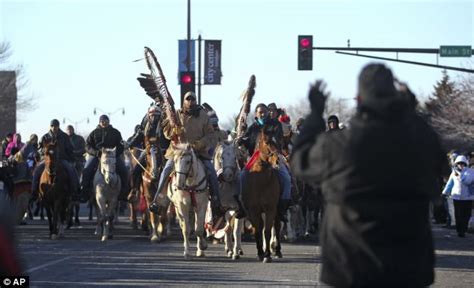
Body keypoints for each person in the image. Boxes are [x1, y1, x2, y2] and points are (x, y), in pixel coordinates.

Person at [291, 63, 449, 287]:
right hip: (408, 269)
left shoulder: (338, 145)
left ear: (358, 99)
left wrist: (315, 115)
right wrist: (411, 112)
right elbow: (441, 166)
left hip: (349, 268)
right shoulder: (419, 141)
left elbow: (300, 161)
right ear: (394, 96)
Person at [148, 92, 223, 220]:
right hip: (178, 151)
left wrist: (200, 144)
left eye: (192, 99)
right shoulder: (176, 114)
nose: (190, 102)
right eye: (188, 99)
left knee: (210, 171)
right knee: (166, 170)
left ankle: (216, 201)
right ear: (184, 101)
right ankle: (157, 199)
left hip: (198, 151)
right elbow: (165, 131)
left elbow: (211, 134)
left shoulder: (203, 115)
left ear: (196, 100)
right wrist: (173, 131)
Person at [237, 103, 291, 221]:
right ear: (256, 114)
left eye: (264, 112)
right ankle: (242, 206)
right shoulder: (253, 127)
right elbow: (246, 141)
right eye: (260, 112)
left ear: (268, 113)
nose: (262, 114)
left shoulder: (275, 125)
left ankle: (282, 208)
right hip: (255, 158)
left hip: (273, 156)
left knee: (287, 178)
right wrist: (241, 140)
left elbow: (279, 139)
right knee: (242, 176)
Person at [80, 115, 129, 202]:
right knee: (87, 170)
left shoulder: (116, 132)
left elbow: (121, 145)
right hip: (97, 155)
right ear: (99, 122)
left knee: (124, 170)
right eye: (102, 121)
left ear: (108, 121)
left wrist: (115, 154)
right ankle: (84, 192)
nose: (104, 122)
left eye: (105, 121)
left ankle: (125, 192)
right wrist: (96, 153)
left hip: (112, 156)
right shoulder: (94, 133)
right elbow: (87, 146)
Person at [32, 119, 80, 200]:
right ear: (50, 126)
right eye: (52, 126)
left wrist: (72, 159)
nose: (54, 127)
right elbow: (39, 149)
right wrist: (43, 153)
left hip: (62, 159)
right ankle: (34, 192)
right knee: (37, 170)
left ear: (58, 126)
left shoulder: (65, 136)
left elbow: (70, 149)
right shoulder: (45, 137)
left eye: (56, 126)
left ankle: (75, 191)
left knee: (71, 169)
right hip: (47, 160)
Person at [127, 104, 164, 198]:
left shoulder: (164, 126)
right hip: (147, 151)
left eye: (156, 115)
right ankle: (134, 190)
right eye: (152, 115)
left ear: (160, 116)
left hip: (164, 152)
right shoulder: (145, 127)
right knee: (135, 170)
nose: (154, 117)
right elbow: (138, 137)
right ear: (148, 116)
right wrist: (129, 144)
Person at [442, 155, 474, 237]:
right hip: (457, 197)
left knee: (466, 214)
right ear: (456, 164)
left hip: (468, 197)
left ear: (465, 164)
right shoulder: (454, 173)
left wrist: (459, 175)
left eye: (462, 163)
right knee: (458, 215)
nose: (460, 165)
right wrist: (444, 192)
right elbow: (449, 183)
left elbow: (468, 181)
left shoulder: (470, 171)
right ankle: (460, 231)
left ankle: (464, 228)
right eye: (459, 164)